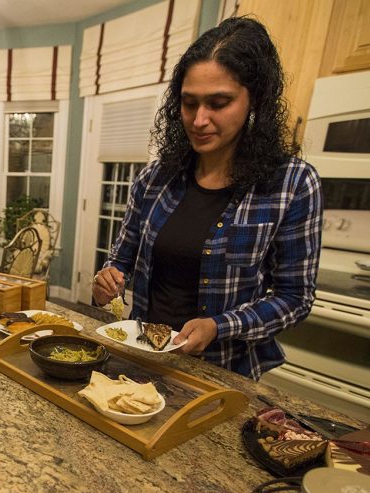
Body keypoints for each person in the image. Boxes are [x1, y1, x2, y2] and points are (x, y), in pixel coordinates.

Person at [91, 17, 322, 380]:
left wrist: (219, 326)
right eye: (189, 103)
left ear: (254, 100)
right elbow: (122, 259)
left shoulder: (292, 184)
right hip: (143, 357)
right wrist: (108, 278)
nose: (199, 120)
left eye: (219, 103)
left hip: (225, 370)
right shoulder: (155, 179)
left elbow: (294, 298)